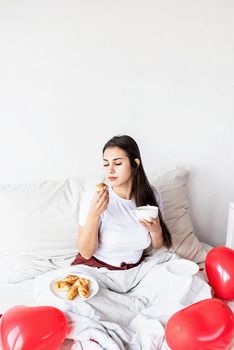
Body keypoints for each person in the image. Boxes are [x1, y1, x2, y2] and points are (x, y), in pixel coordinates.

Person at [72, 135, 172, 270]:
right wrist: (94, 215)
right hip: (98, 269)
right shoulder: (94, 196)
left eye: (117, 163)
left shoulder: (151, 195)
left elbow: (158, 245)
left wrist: (156, 230)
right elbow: (85, 253)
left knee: (186, 283)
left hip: (135, 271)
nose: (110, 169)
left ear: (135, 164)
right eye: (106, 163)